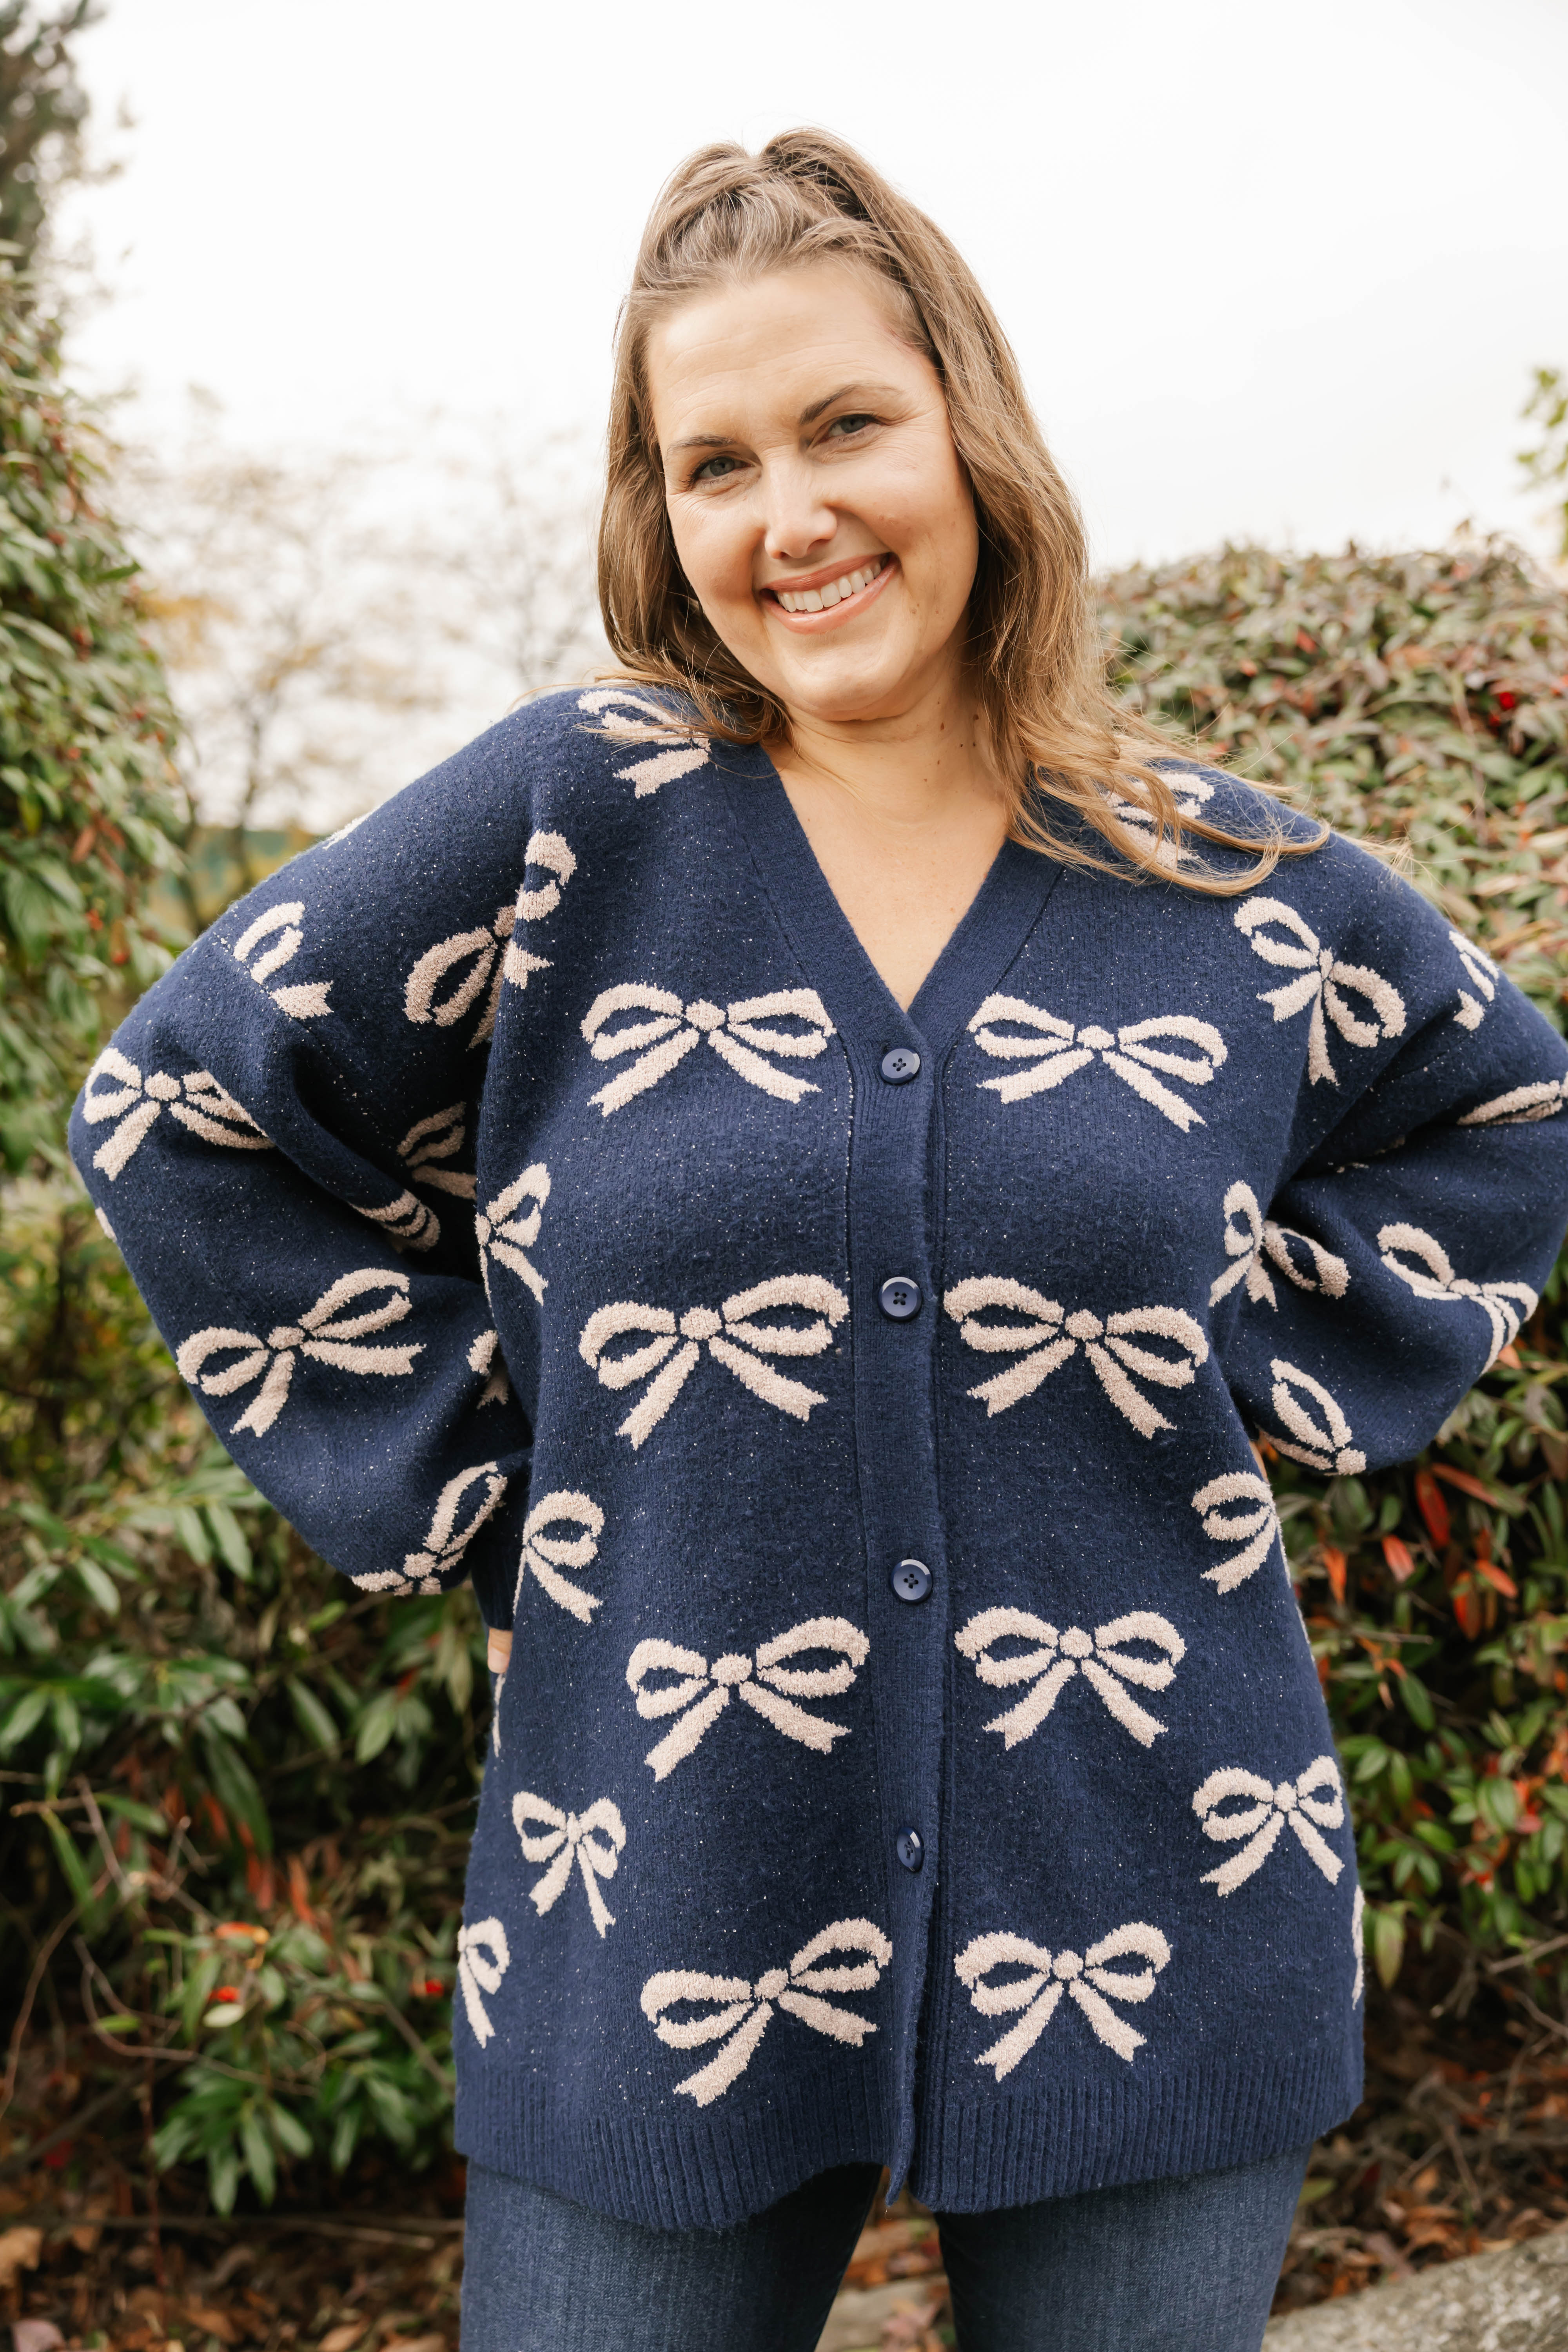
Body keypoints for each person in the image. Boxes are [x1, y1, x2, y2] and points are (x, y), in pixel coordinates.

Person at [71, 130, 1568, 2352]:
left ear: (970, 426)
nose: (792, 517)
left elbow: (1503, 1109)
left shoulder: (1227, 890)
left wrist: (1247, 1380)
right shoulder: (580, 821)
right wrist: (496, 1482)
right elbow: (181, 1112)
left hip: (1155, 1878)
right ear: (658, 516)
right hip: (651, 1899)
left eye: (848, 424)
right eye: (715, 464)